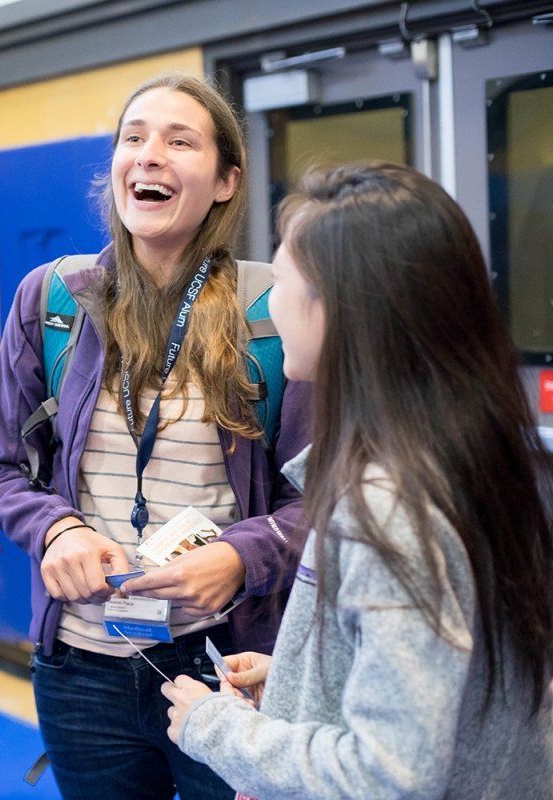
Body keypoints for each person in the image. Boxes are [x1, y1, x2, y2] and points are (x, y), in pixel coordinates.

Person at [162, 162, 553, 798]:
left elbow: (388, 774)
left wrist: (218, 729)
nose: (270, 305)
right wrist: (300, 682)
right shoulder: (473, 459)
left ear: (339, 310)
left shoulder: (388, 508)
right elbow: (457, 686)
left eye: (283, 283)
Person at [0, 73, 313, 800]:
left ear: (225, 182)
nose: (149, 155)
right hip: (79, 669)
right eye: (134, 137)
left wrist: (239, 556)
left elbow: (324, 498)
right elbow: (2, 471)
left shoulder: (275, 310)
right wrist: (57, 531)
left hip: (227, 665)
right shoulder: (51, 300)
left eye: (179, 140)